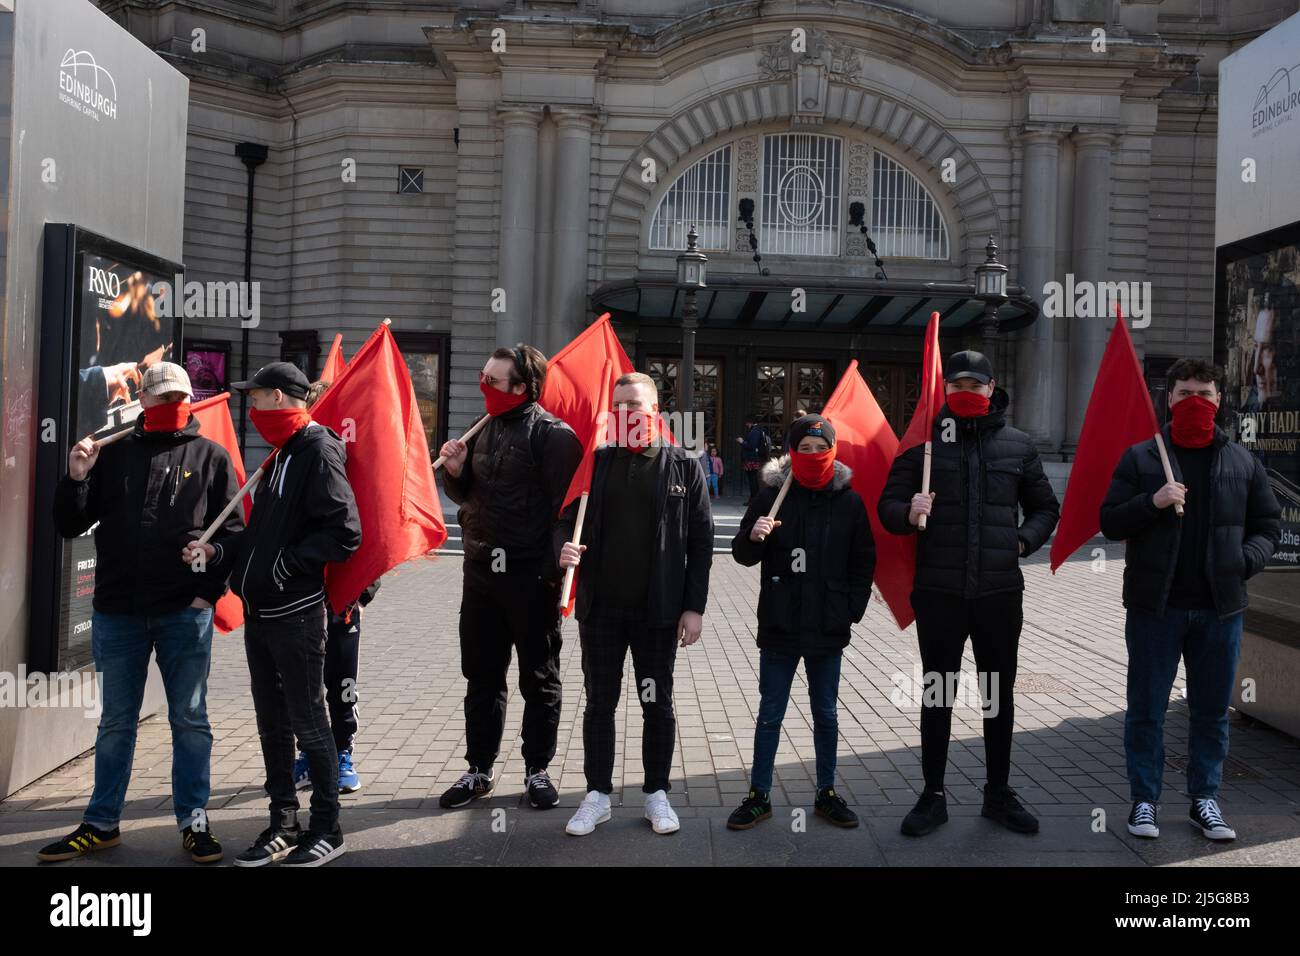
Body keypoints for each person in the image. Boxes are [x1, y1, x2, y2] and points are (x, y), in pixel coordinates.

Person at [39, 363, 242, 864]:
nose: (171, 403)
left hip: (183, 613)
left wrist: (207, 585)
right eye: (162, 396)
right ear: (144, 403)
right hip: (118, 611)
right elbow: (69, 523)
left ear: (190, 400)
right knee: (115, 723)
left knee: (190, 719)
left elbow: (234, 536)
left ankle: (194, 821)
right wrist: (76, 476)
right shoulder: (114, 453)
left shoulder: (211, 458)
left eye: (179, 396)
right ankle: (102, 821)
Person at [183, 361, 361, 867]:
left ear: (280, 397)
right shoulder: (280, 453)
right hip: (263, 613)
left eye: (256, 397)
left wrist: (285, 568)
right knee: (272, 724)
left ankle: (328, 826)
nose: (251, 406)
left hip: (296, 613)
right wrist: (218, 555)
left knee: (308, 720)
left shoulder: (317, 449)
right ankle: (283, 820)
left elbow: (345, 532)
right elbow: (261, 536)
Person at [878, 350, 1060, 837]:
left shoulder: (1019, 446)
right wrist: (906, 511)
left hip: (999, 593)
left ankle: (998, 794)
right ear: (945, 392)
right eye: (955, 385)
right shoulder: (923, 446)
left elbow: (1046, 508)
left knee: (997, 697)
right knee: (938, 695)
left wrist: (1023, 540)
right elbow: (887, 505)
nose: (965, 393)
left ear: (991, 388)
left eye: (974, 385)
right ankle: (932, 795)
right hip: (939, 593)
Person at [1100, 358, 1280, 842]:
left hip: (1221, 610)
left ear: (1219, 401)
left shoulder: (1244, 462)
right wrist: (1151, 502)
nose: (1195, 402)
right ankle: (1144, 801)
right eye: (1185, 393)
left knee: (1211, 710)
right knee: (1147, 709)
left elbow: (1268, 525)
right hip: (1155, 609)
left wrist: (1244, 561)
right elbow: (1111, 521)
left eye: (1204, 394)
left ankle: (1205, 799)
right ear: (1169, 399)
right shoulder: (1142, 458)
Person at [556, 372, 713, 836]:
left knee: (656, 703)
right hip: (601, 609)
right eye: (619, 405)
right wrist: (562, 549)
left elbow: (701, 545)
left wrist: (693, 607)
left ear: (655, 412)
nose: (628, 413)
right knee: (599, 704)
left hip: (658, 612)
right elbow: (564, 523)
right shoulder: (594, 465)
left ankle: (656, 794)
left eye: (636, 405)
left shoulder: (684, 466)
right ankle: (597, 795)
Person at [437, 345, 583, 811]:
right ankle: (479, 768)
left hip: (529, 577)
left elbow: (568, 508)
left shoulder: (554, 436)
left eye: (493, 380)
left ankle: (537, 769)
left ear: (522, 387)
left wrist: (549, 571)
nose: (484, 386)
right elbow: (470, 495)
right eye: (483, 376)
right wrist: (455, 475)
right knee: (481, 676)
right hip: (479, 572)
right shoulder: (482, 429)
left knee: (538, 677)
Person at [727, 414, 875, 831]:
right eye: (804, 449)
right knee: (770, 713)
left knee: (826, 713)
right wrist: (753, 537)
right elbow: (742, 554)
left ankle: (826, 792)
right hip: (780, 623)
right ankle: (759, 795)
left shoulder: (848, 502)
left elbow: (863, 561)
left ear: (833, 450)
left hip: (828, 627)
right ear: (791, 453)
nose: (813, 455)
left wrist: (850, 609)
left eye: (820, 447)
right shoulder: (772, 496)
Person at [737, 415, 772, 503]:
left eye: (747, 423)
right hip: (754, 459)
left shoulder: (755, 431)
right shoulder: (758, 430)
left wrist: (742, 442)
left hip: (752, 459)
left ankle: (754, 500)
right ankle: (754, 499)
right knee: (753, 480)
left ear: (750, 422)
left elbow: (751, 446)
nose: (746, 425)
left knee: (752, 480)